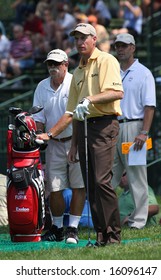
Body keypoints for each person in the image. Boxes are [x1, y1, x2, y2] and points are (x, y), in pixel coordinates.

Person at [66, 23, 124, 246]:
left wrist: (90, 99)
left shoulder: (107, 60)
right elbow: (74, 113)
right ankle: (101, 235)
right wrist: (73, 146)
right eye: (76, 39)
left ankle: (113, 234)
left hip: (104, 125)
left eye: (83, 38)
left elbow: (117, 92)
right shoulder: (77, 72)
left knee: (101, 180)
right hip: (84, 128)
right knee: (90, 184)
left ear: (94, 40)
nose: (79, 42)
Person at [33, 49, 86, 244]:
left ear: (66, 64)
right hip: (53, 144)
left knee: (78, 185)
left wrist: (48, 134)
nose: (53, 68)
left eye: (56, 64)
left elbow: (71, 116)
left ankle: (73, 227)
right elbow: (38, 117)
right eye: (50, 64)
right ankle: (57, 228)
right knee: (54, 187)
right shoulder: (41, 86)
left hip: (76, 140)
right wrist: (38, 134)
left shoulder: (75, 83)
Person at [112, 33, 156, 229]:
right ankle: (107, 219)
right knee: (108, 175)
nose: (120, 49)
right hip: (113, 126)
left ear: (133, 48)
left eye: (124, 46)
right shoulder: (112, 72)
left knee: (137, 176)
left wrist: (144, 132)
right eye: (118, 46)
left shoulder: (144, 72)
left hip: (135, 127)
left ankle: (138, 222)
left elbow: (150, 106)